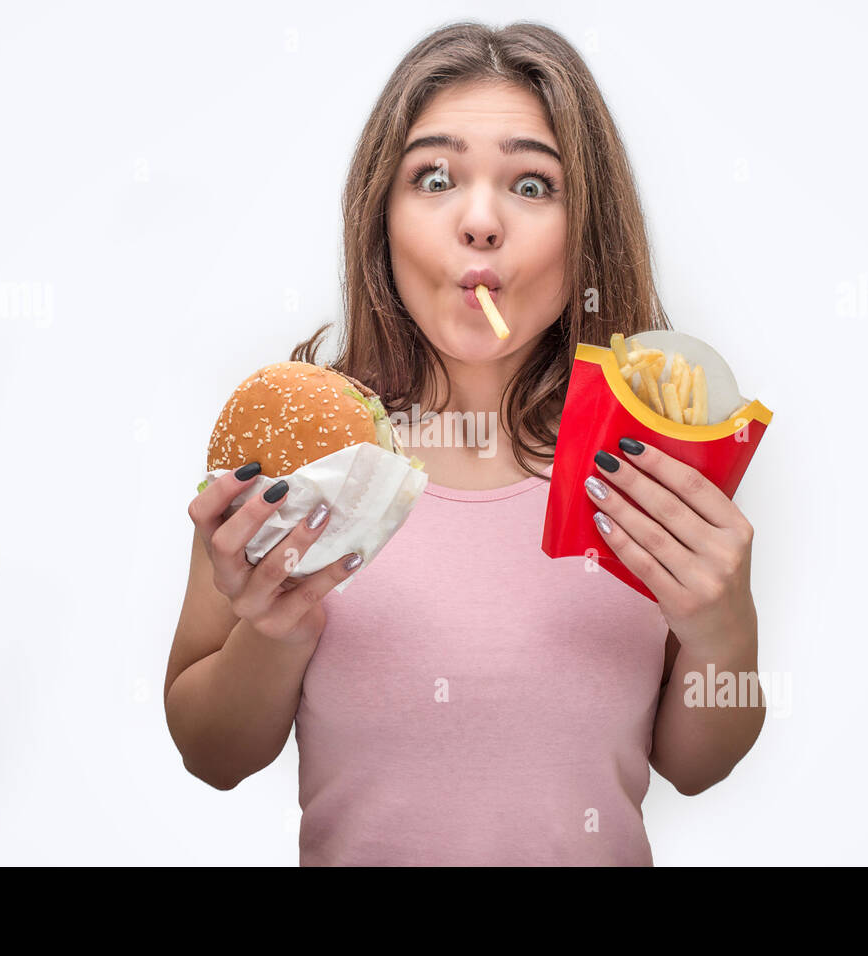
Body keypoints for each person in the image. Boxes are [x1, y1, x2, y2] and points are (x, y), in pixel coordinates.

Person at [165, 21, 765, 866]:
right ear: (382, 216)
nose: (480, 221)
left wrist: (723, 635)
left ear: (586, 226)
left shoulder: (650, 459)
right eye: (436, 177)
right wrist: (274, 633)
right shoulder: (300, 449)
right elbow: (211, 755)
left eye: (531, 185)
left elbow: (696, 767)